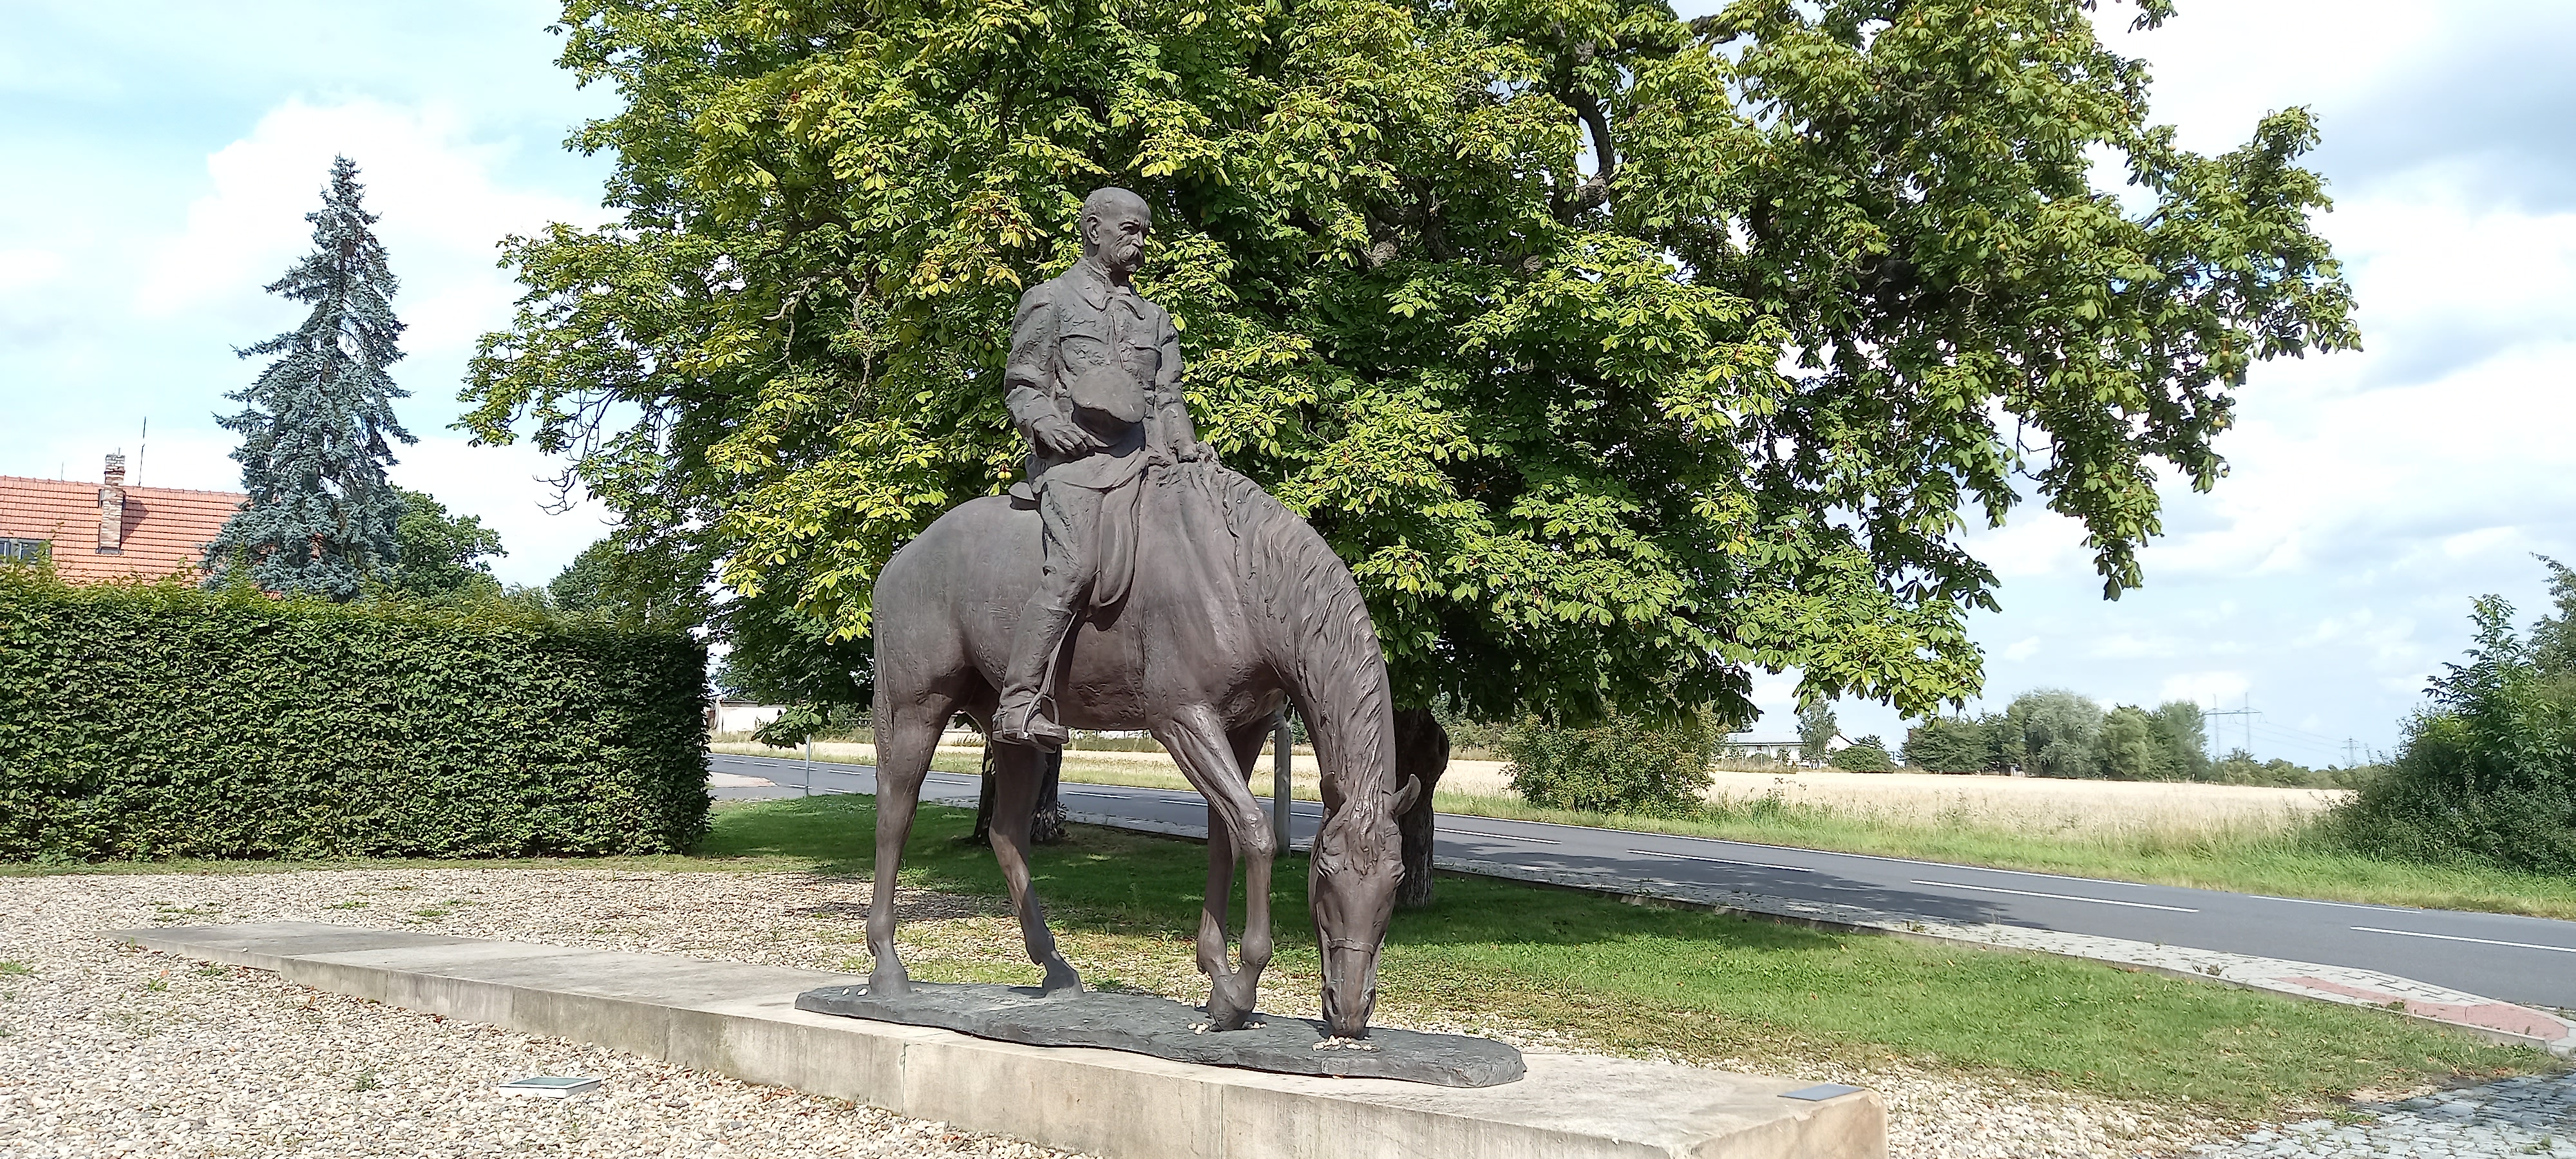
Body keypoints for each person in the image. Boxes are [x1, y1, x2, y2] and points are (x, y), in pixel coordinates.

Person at [992, 187, 1202, 749]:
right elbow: (1023, 385)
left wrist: (1186, 445)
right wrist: (1044, 425)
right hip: (1076, 464)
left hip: (1148, 460)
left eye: (1145, 233)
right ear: (1093, 230)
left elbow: (1169, 397)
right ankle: (1018, 704)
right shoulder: (1050, 300)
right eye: (1130, 230)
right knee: (1076, 568)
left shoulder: (1154, 318)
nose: (1140, 243)